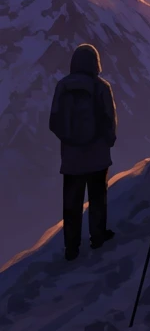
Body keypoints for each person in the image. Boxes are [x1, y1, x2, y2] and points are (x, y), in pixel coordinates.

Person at [49, 44, 117, 262]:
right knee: (97, 200)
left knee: (71, 205)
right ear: (95, 63)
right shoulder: (102, 87)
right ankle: (97, 237)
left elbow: (54, 121)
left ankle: (71, 248)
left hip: (71, 160)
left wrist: (69, 139)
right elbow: (109, 119)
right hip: (98, 158)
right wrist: (108, 141)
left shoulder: (63, 86)